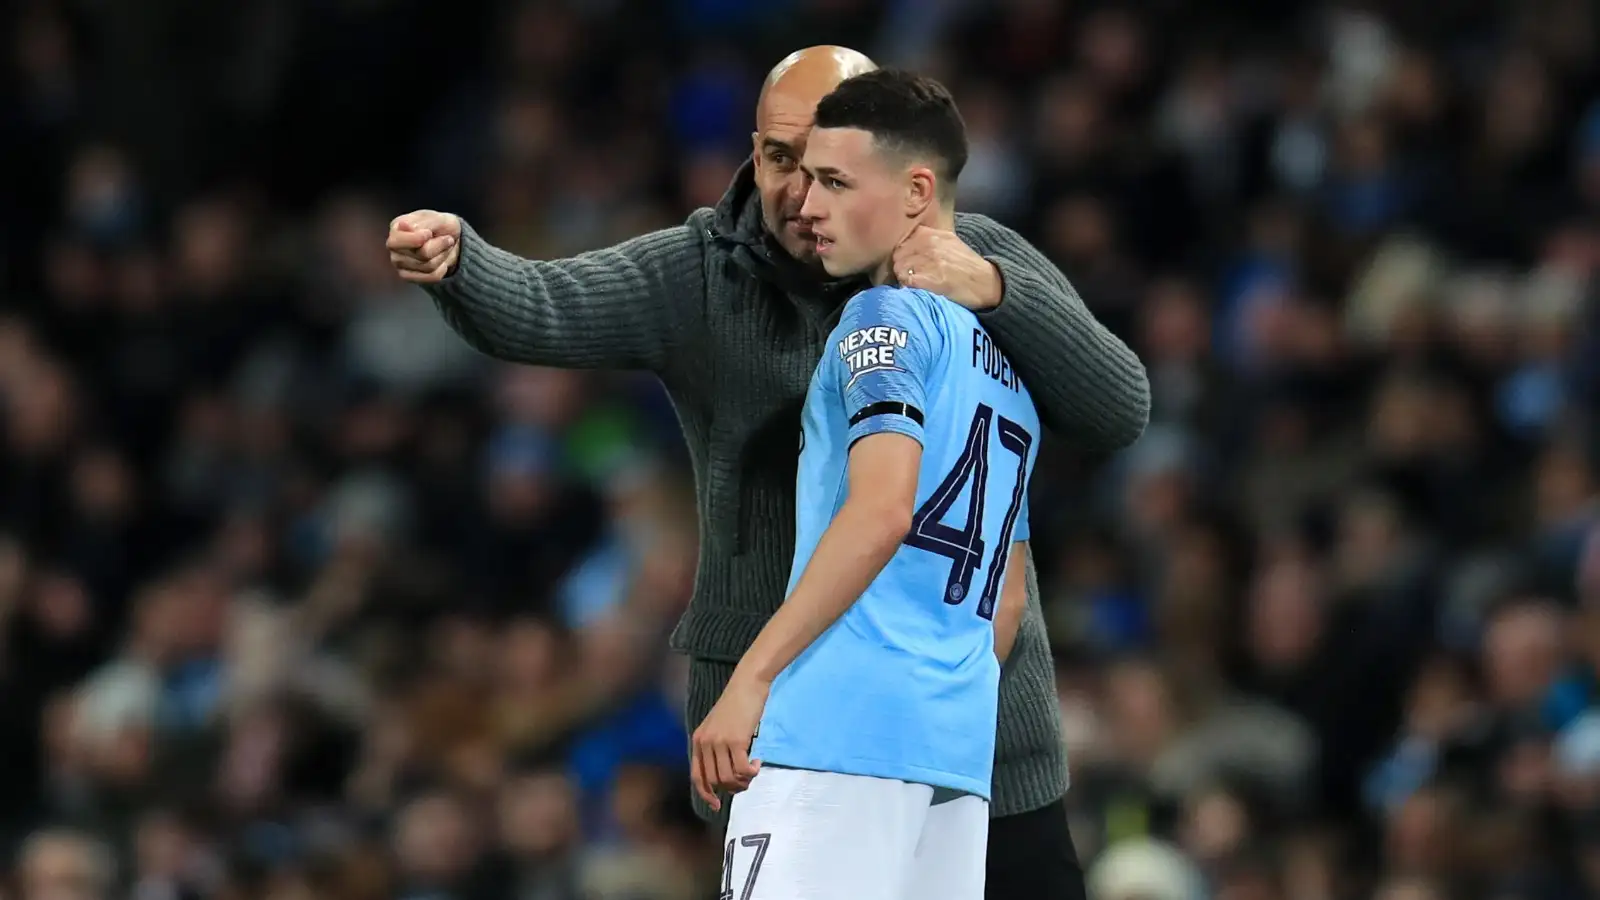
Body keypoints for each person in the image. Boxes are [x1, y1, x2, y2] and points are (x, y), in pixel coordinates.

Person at [387, 46, 1148, 900]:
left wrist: (1003, 288)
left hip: (934, 739)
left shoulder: (950, 277)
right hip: (840, 725)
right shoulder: (703, 273)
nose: (800, 193)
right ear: (752, 149)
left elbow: (1115, 408)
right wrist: (463, 264)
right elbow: (546, 304)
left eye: (828, 170)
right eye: (781, 159)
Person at [692, 68, 1036, 900]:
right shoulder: (1009, 372)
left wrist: (755, 677)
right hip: (950, 760)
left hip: (833, 740)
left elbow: (882, 510)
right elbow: (1009, 601)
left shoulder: (879, 321)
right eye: (807, 179)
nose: (808, 207)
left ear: (918, 191)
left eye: (837, 183)